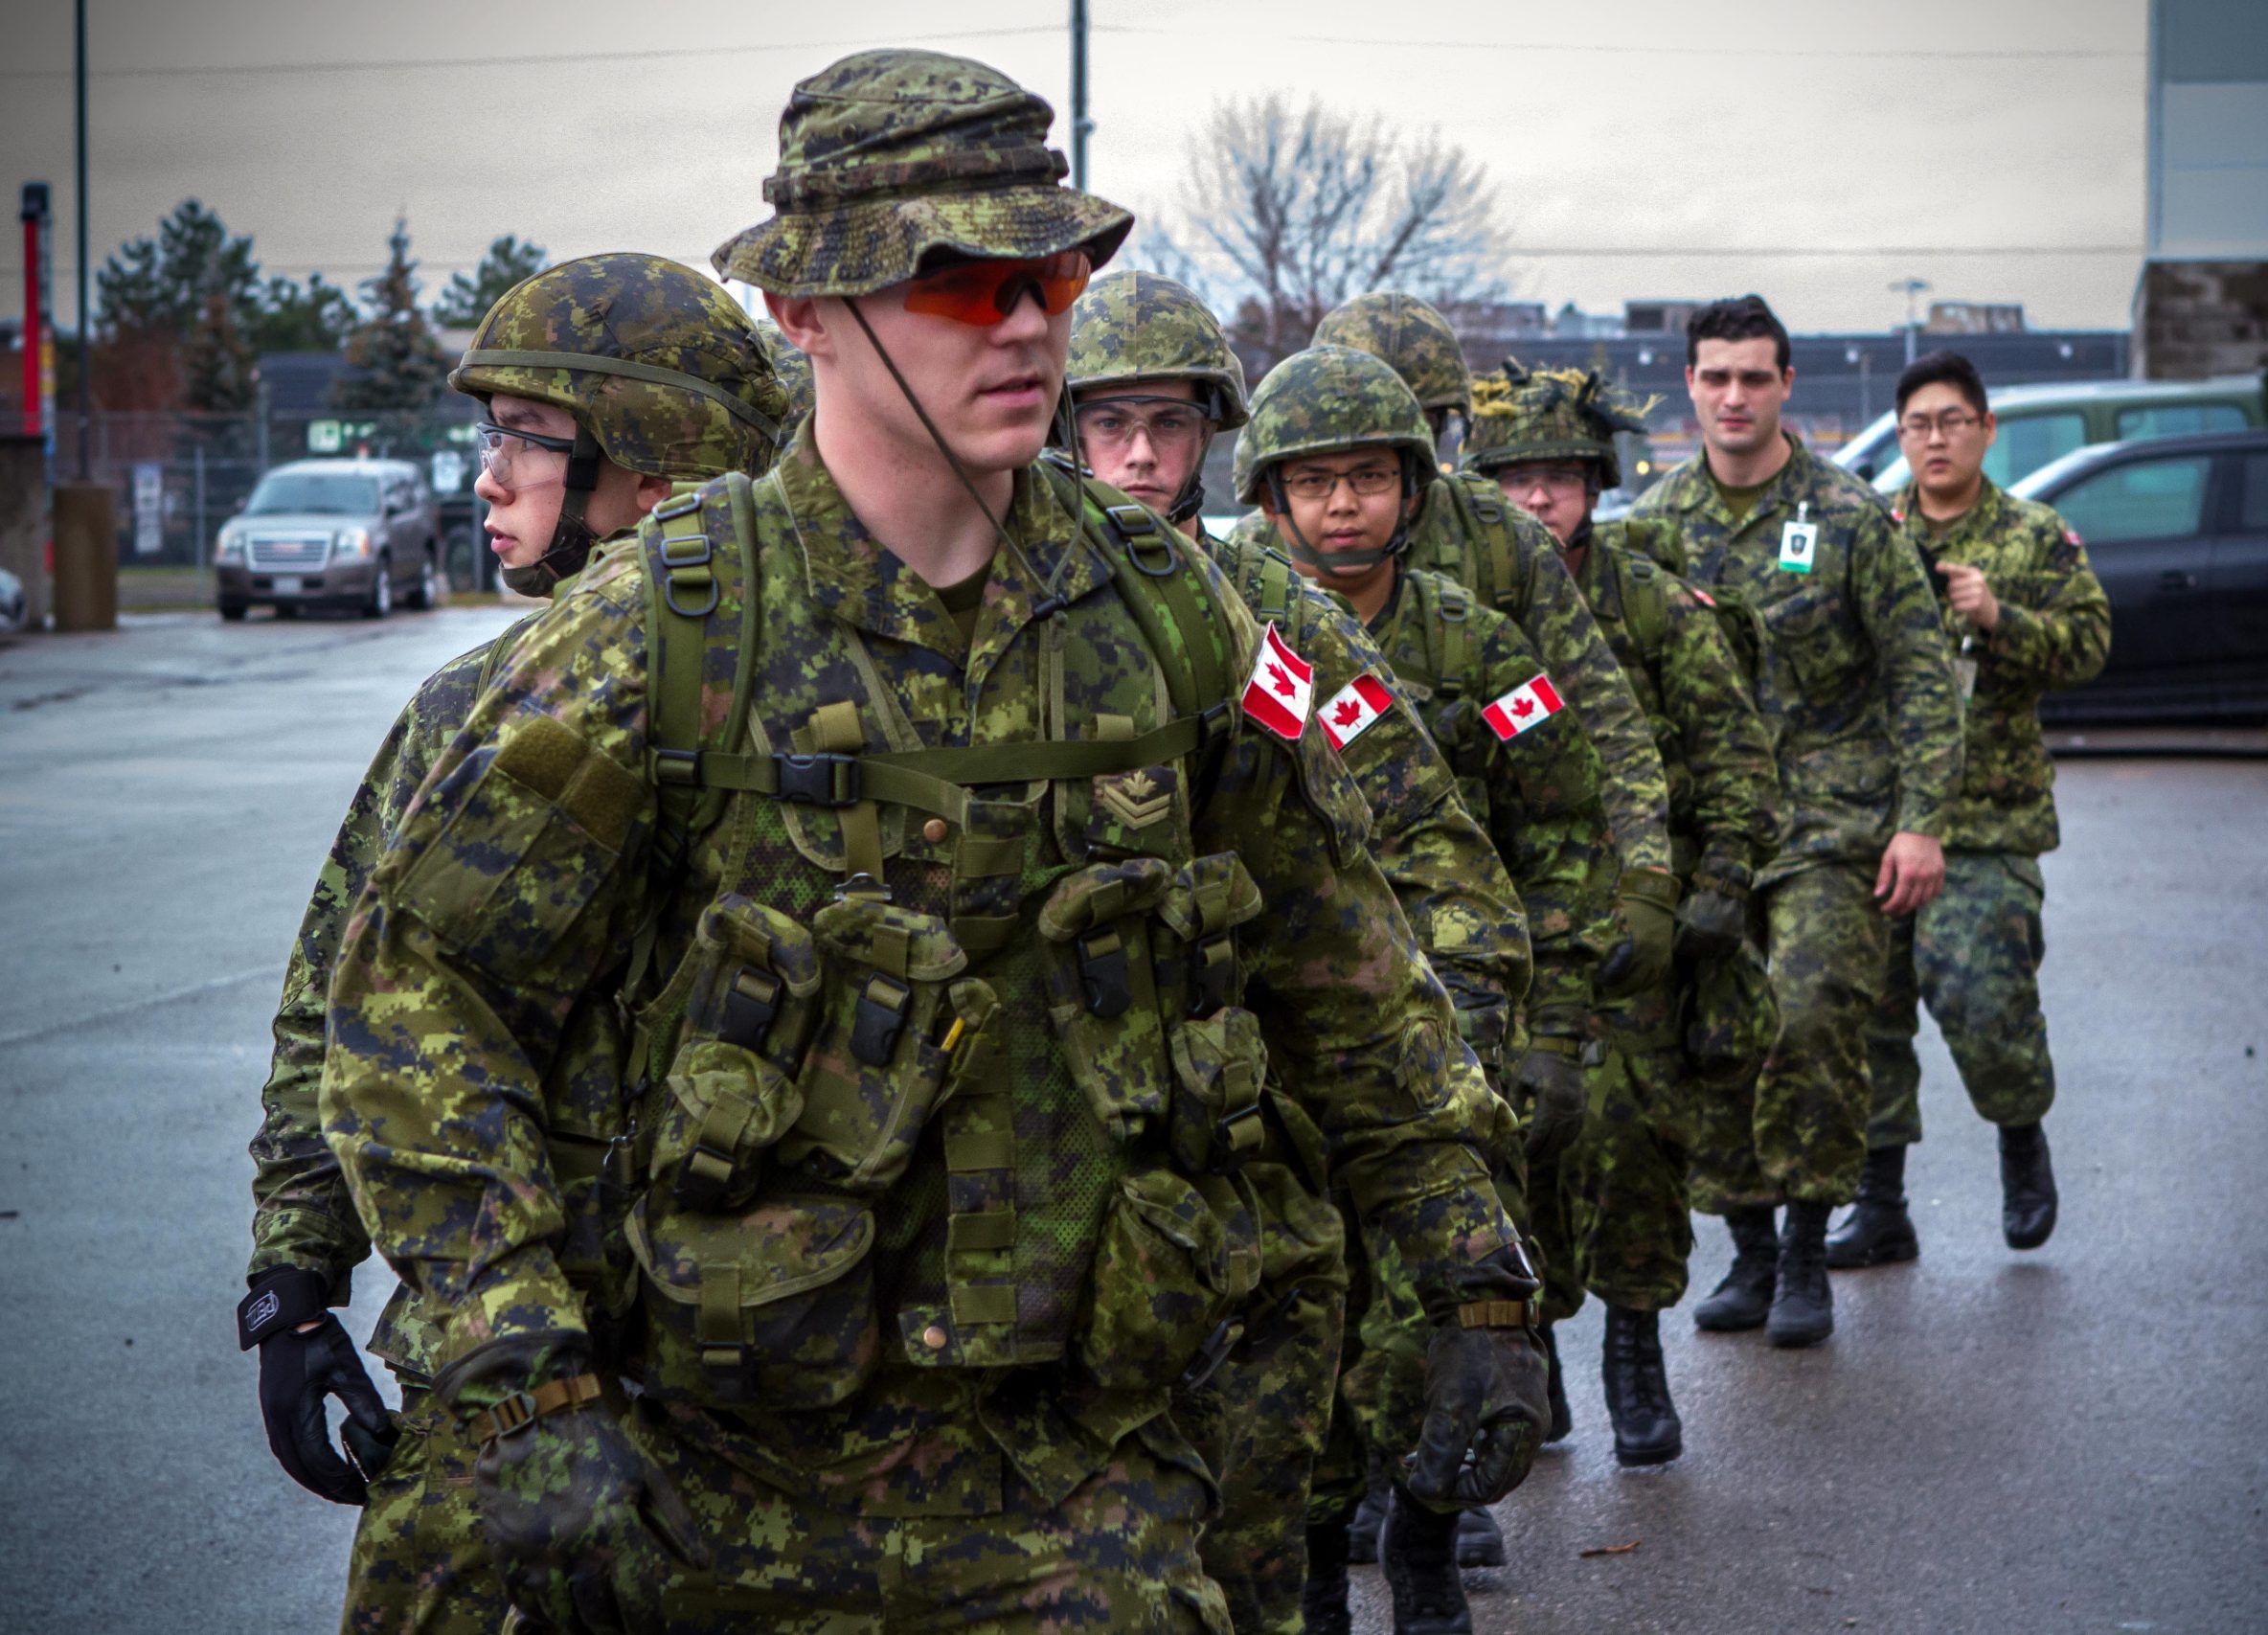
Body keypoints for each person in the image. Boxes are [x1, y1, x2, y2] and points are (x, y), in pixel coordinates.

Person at [317, 51, 1547, 1634]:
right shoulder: (666, 630)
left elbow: (1341, 961)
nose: (1029, 321)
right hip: (693, 1461)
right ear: (806, 310)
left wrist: (1471, 1268)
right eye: (959, 284)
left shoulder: (1166, 616)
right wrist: (515, 1361)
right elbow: (420, 993)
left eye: (1046, 274)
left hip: (1071, 1473)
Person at [239, 253, 798, 1633]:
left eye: (527, 441)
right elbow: (347, 1001)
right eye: (490, 438)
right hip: (507, 1371)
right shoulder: (470, 709)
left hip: (778, 1379)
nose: (486, 478)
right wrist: (296, 1285)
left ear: (653, 464)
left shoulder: (824, 706)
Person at [1062, 271, 1537, 1635]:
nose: (1141, 455)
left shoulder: (1272, 620)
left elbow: (1430, 842)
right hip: (1054, 1167)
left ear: (1209, 436)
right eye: (1111, 425)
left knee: (1279, 1505)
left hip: (1257, 1131)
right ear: (1067, 434)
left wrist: (1469, 1063)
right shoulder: (987, 613)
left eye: (1166, 422)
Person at [1235, 343, 1620, 1635]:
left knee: (1434, 1320)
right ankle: (1308, 1567)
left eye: (1367, 477)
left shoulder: (1482, 640)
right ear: (1272, 495)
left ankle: (1427, 1537)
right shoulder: (1233, 630)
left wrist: (1544, 1026)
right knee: (1302, 1329)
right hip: (1291, 1036)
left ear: (1412, 483)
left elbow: (1564, 825)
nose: (1343, 505)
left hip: (1458, 1015)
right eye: (1314, 482)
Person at [1628, 295, 1962, 1349]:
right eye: (1715, 377)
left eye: (1754, 378)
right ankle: (1751, 1249)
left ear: (1785, 388)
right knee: (1717, 1034)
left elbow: (1919, 675)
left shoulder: (1850, 516)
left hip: (1830, 817)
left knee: (1811, 1012)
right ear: (1689, 385)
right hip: (1710, 830)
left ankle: (1812, 1245)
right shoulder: (1654, 527)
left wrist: (1921, 821)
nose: (1734, 396)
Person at [1463, 362, 1781, 1461]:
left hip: (1637, 921)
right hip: (1508, 919)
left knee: (1636, 1141)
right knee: (1523, 1140)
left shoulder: (1648, 603)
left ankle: (1635, 1352)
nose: (1537, 500)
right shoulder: (1467, 607)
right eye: (1513, 480)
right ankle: (1539, 1349)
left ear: (1596, 485)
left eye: (1556, 478)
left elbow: (1734, 760)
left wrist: (1715, 889)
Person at [1230, 294, 1683, 1011]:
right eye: (1318, 471)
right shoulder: (1256, 566)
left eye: (1379, 456)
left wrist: (1645, 873)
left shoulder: (1502, 542)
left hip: (1482, 890)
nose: (1344, 496)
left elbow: (1598, 720)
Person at [1832, 351, 2109, 1267]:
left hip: (1987, 820)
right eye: (1918, 424)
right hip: (1878, 812)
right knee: (1869, 1008)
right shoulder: (1864, 530)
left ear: (1987, 430)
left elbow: (2091, 647)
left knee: (1979, 990)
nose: (1936, 438)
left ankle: (2021, 1137)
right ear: (1900, 435)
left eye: (1954, 421)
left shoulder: (2034, 535)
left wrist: (2002, 619)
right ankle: (1881, 1202)